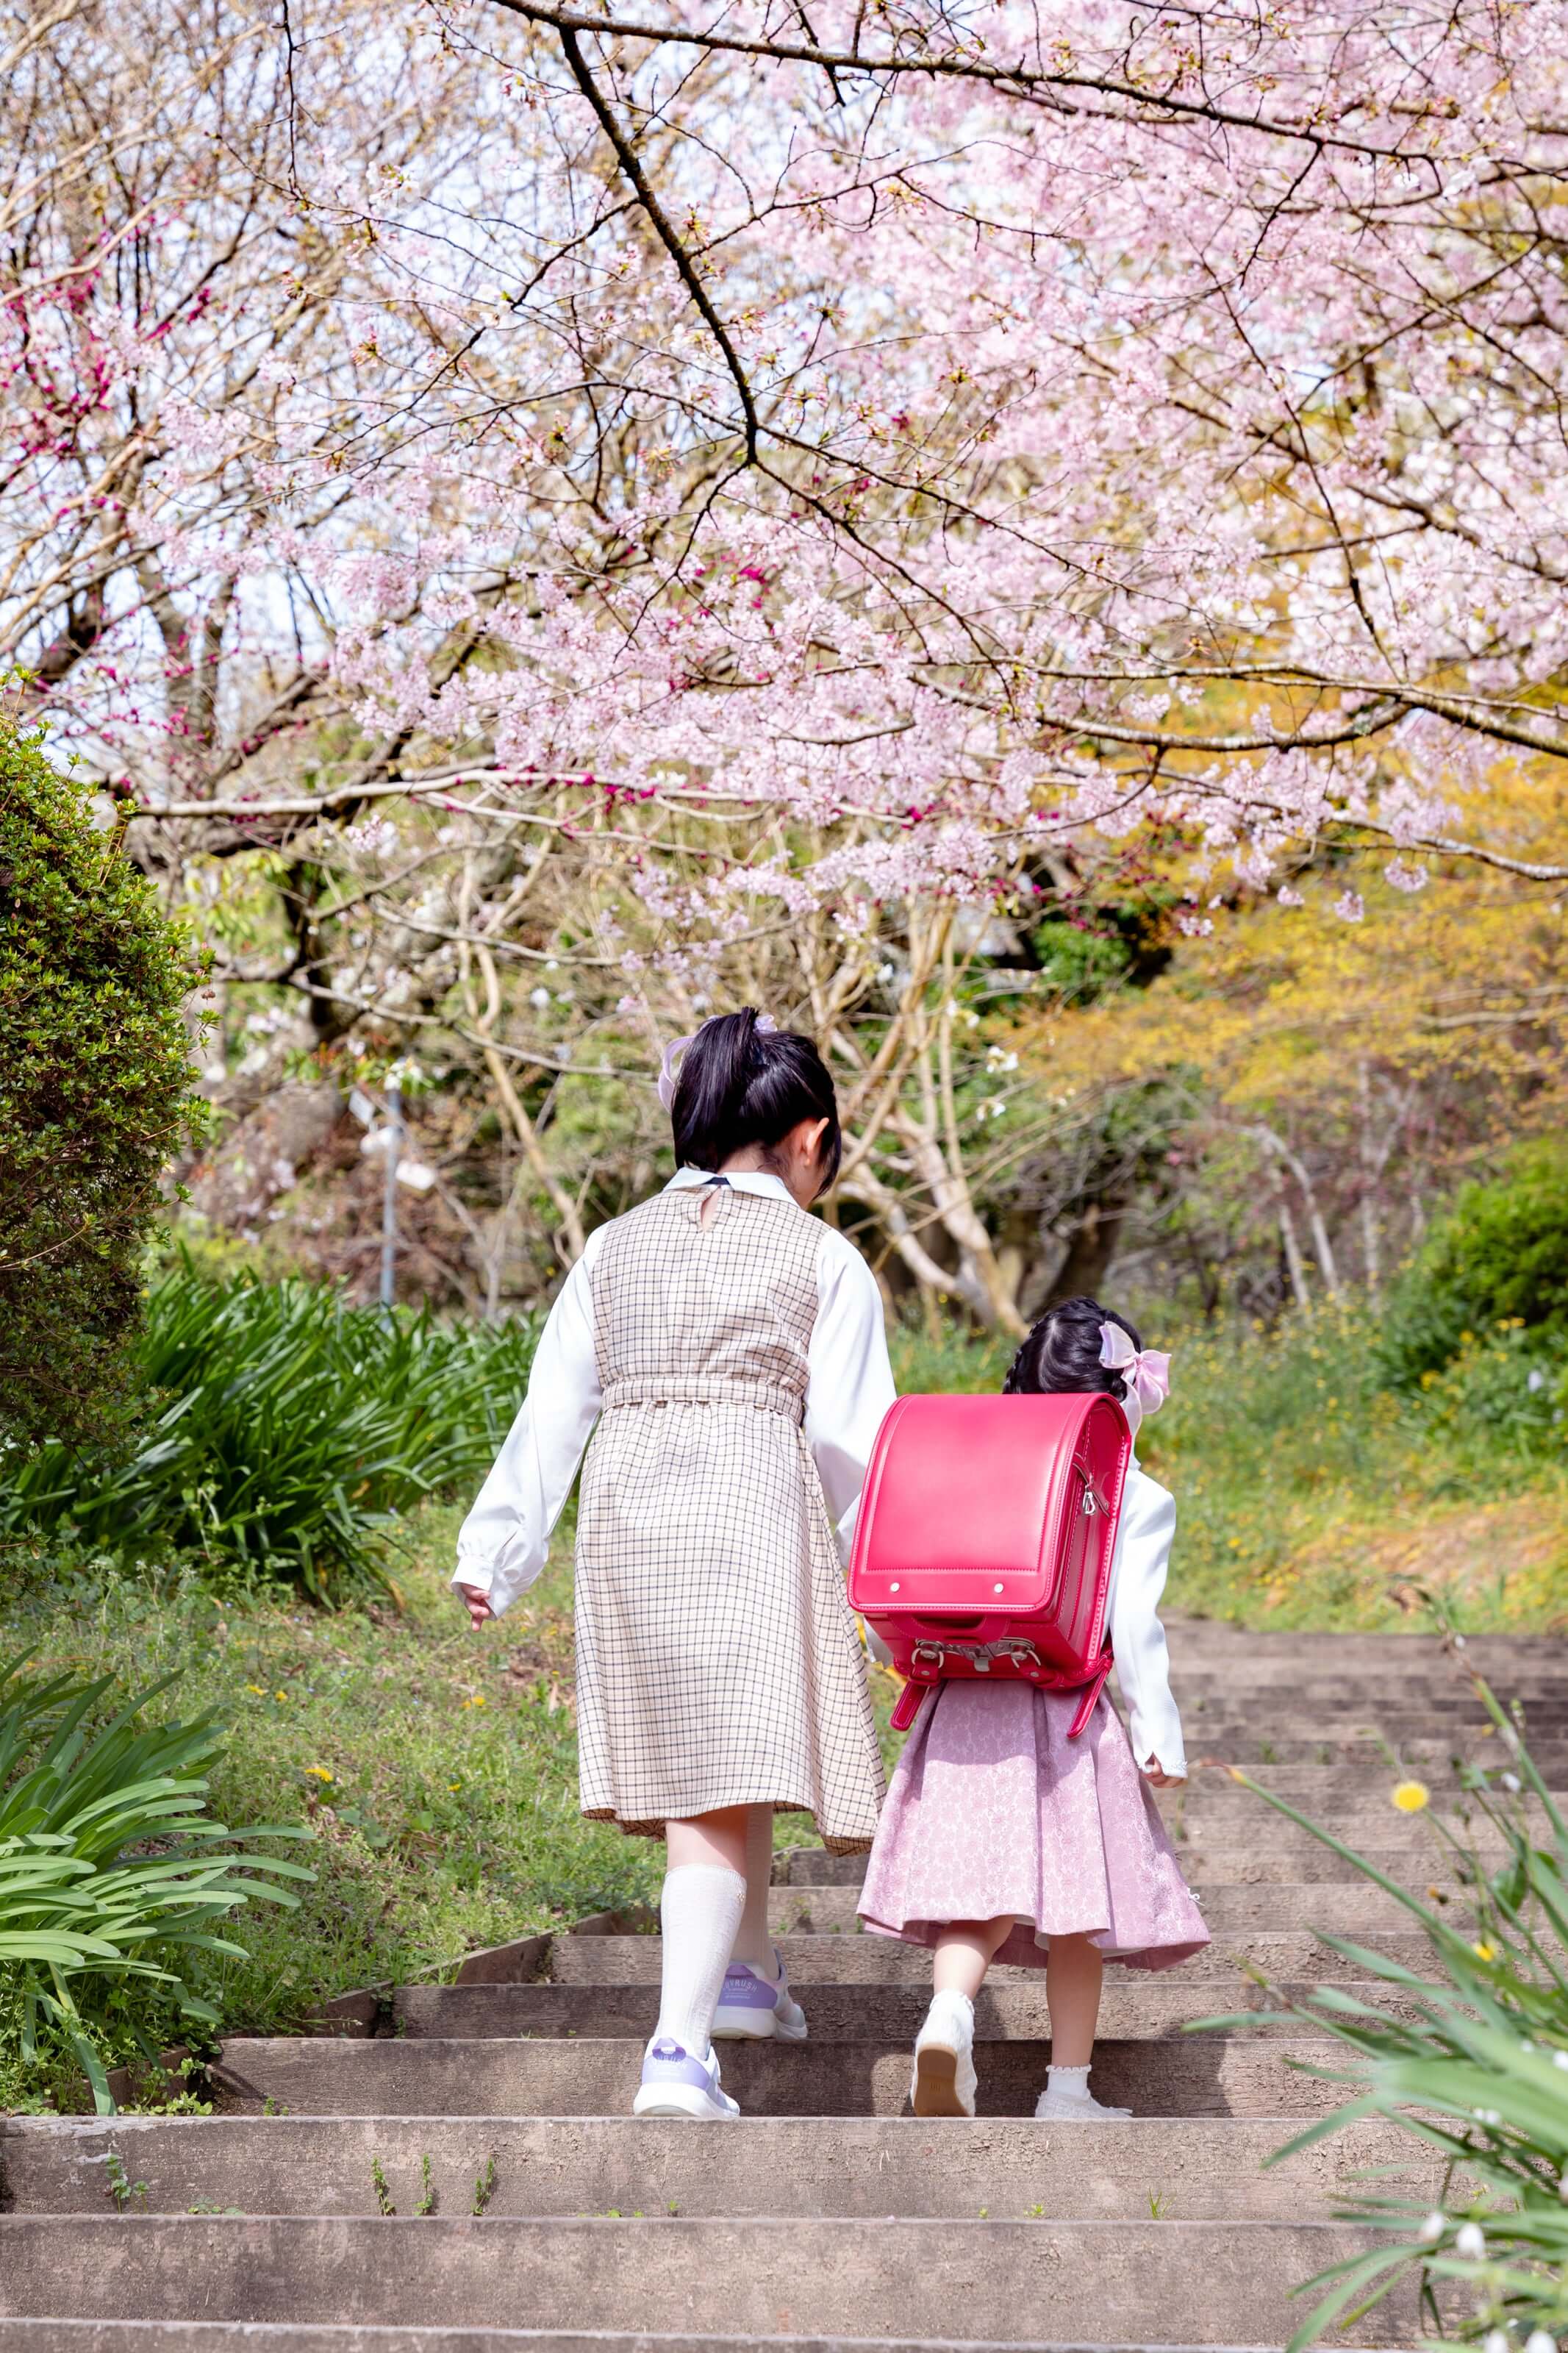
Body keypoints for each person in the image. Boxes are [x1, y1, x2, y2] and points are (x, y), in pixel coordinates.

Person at [453, 1009, 893, 2121]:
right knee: (718, 1772)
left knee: (724, 1753)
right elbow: (855, 1444)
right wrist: (894, 1596)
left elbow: (553, 1408)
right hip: (749, 1505)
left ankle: (745, 1976)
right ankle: (677, 2051)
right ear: (810, 1138)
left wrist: (497, 1552)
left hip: (633, 1512)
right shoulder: (824, 1255)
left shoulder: (614, 1244)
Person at [857, 1295, 1209, 2121]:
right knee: (1077, 1909)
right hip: (1063, 1710)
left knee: (975, 1892)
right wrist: (1158, 1734)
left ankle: (950, 2013)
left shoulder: (964, 1465)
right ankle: (1067, 2090)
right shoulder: (1135, 1493)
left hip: (961, 1703)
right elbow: (1133, 1624)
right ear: (1118, 1399)